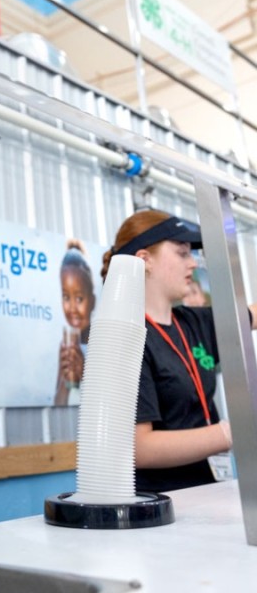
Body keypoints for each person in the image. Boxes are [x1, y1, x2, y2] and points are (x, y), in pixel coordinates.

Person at [102, 209, 255, 492]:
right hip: (160, 504)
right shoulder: (125, 337)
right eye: (182, 253)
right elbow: (140, 448)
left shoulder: (193, 321)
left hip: (208, 490)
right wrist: (229, 433)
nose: (193, 264)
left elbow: (252, 315)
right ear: (145, 260)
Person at [54, 240, 96, 406]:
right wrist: (66, 380)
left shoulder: (101, 342)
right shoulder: (66, 347)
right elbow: (58, 404)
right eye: (66, 297)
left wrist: (84, 373)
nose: (72, 308)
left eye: (79, 298)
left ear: (92, 300)